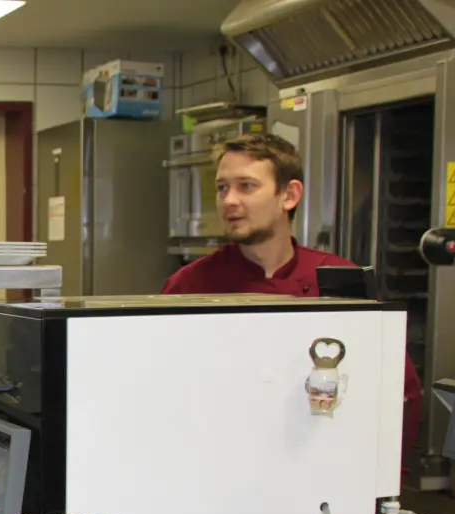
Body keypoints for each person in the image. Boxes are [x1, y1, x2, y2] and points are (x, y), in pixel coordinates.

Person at [162, 132, 423, 462]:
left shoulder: (340, 280)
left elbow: (400, 390)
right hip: (220, 468)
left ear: (289, 194)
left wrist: (384, 482)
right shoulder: (191, 285)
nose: (228, 201)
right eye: (222, 187)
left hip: (321, 468)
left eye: (246, 186)